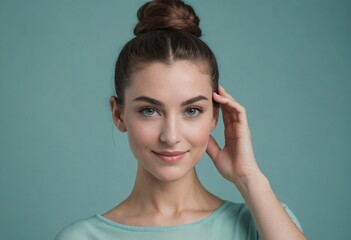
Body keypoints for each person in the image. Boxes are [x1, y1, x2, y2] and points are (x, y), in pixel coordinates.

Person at [56, 0, 306, 239]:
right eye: (149, 111)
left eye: (191, 111)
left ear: (215, 116)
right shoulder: (81, 237)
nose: (171, 136)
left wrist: (248, 178)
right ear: (118, 115)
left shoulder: (263, 224)